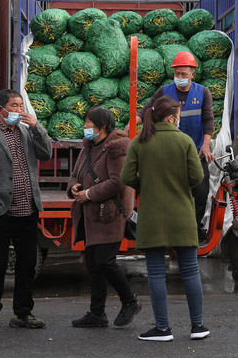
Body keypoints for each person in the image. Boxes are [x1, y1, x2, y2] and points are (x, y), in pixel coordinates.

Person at [122, 95, 209, 342]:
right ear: (171, 117)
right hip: (182, 213)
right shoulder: (184, 141)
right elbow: (197, 176)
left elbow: (127, 177)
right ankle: (198, 326)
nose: (179, 120)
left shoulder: (140, 141)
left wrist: (146, 184)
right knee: (190, 271)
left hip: (151, 215)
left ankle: (162, 329)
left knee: (156, 273)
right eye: (178, 116)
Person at [0, 89, 53, 329]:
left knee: (27, 264)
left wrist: (37, 127)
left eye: (20, 105)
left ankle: (23, 313)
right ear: (1, 109)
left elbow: (46, 153)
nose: (18, 110)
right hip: (0, 212)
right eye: (14, 106)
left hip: (28, 209)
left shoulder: (27, 132)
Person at [66, 106, 141, 328]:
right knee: (92, 262)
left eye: (88, 123)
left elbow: (119, 182)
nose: (85, 127)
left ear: (102, 127)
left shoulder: (118, 147)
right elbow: (75, 174)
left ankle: (130, 302)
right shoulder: (88, 146)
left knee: (104, 262)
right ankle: (97, 313)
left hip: (109, 214)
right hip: (90, 215)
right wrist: (74, 187)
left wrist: (88, 194)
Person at [137, 51, 215, 243]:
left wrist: (206, 145)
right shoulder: (164, 91)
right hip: (168, 152)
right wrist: (134, 122)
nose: (179, 77)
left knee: (200, 191)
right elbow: (146, 109)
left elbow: (208, 120)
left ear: (193, 74)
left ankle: (195, 228)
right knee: (170, 193)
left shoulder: (203, 92)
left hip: (195, 152)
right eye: (177, 73)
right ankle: (169, 232)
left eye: (183, 74)